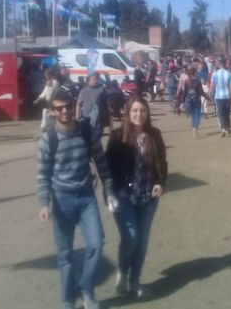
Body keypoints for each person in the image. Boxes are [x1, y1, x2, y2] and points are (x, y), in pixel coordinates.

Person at [37, 88, 116, 309]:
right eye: (59, 108)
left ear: (73, 107)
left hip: (85, 197)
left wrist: (109, 190)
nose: (64, 111)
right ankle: (68, 300)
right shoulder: (47, 141)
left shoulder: (86, 131)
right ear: (52, 112)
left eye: (67, 107)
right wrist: (44, 203)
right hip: (61, 201)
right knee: (65, 254)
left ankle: (86, 288)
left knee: (96, 244)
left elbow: (101, 163)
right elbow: (42, 174)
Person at [106, 97, 168, 298]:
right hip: (124, 197)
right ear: (128, 112)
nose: (138, 114)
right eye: (134, 110)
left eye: (142, 110)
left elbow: (162, 164)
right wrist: (109, 195)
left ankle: (134, 281)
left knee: (142, 242)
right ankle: (123, 275)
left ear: (147, 113)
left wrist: (160, 183)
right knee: (131, 237)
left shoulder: (154, 135)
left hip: (148, 197)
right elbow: (108, 170)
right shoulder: (117, 136)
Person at [210, 58, 231, 137]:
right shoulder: (229, 74)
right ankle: (227, 128)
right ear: (225, 63)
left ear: (218, 64)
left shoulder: (214, 74)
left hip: (218, 97)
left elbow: (212, 86)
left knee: (221, 113)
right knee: (227, 113)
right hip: (227, 96)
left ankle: (223, 128)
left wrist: (209, 95)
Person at [183, 67, 209, 136]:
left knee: (193, 115)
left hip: (189, 100)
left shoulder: (186, 81)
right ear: (195, 73)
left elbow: (185, 92)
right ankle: (194, 128)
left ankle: (193, 127)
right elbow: (201, 92)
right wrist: (208, 98)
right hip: (197, 100)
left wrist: (183, 102)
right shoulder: (197, 81)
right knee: (197, 115)